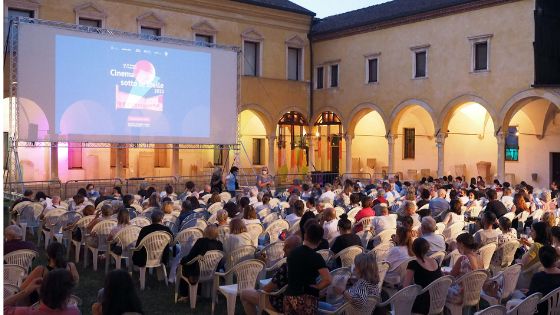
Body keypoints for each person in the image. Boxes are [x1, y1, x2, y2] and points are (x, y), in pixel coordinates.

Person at [241, 235, 301, 315]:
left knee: (244, 294)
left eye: (287, 247)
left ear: (294, 249)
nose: (283, 249)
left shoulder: (287, 267)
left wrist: (258, 291)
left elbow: (267, 289)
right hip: (300, 303)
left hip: (282, 303)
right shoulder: (306, 263)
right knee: (250, 295)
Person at [284, 223, 332, 314]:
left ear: (305, 235)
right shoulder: (316, 257)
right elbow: (328, 280)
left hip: (289, 295)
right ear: (319, 241)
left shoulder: (293, 252)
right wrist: (317, 287)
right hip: (306, 298)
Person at [177, 225, 224, 303]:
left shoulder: (201, 241)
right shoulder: (219, 244)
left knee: (183, 267)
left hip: (198, 271)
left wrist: (182, 261)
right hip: (212, 271)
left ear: (205, 232)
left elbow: (191, 256)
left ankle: (184, 295)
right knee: (194, 265)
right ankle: (197, 293)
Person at [4, 269, 80, 315]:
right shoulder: (74, 311)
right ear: (68, 295)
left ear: (42, 291)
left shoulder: (25, 313)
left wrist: (25, 292)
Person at [403, 238, 443, 315]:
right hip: (438, 300)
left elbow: (405, 287)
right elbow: (440, 278)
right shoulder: (435, 261)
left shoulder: (413, 264)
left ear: (413, 249)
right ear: (427, 249)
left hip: (423, 304)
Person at [445, 233, 483, 304]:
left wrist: (442, 274)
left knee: (439, 288)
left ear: (461, 244)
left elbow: (451, 277)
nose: (456, 246)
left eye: (457, 244)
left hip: (462, 293)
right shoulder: (479, 257)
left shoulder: (463, 259)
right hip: (476, 292)